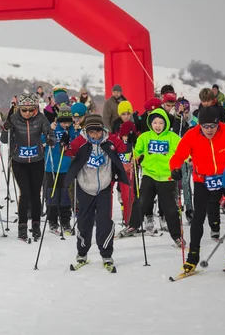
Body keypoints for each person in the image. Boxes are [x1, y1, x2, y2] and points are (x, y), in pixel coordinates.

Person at [170, 106, 225, 273]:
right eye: (205, 126)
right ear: (199, 125)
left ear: (218, 124)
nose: (209, 130)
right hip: (202, 180)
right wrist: (175, 169)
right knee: (199, 216)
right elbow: (178, 156)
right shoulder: (191, 135)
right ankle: (193, 256)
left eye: (212, 126)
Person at [64, 114, 130, 270]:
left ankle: (106, 255)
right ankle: (82, 253)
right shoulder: (80, 141)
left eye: (98, 132)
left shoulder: (110, 140)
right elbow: (68, 151)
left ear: (103, 130)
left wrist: (129, 140)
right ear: (86, 131)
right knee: (84, 222)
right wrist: (63, 144)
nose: (95, 135)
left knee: (104, 221)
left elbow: (124, 148)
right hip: (85, 186)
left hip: (104, 187)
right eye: (91, 132)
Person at [119, 108, 183, 246]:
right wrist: (132, 153)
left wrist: (180, 166)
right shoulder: (145, 137)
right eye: (155, 122)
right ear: (150, 123)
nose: (158, 125)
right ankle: (133, 225)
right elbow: (134, 155)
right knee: (142, 201)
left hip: (167, 177)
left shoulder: (173, 138)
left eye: (161, 122)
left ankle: (177, 236)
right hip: (149, 175)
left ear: (165, 123)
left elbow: (183, 153)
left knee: (170, 208)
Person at [3, 93, 55, 240]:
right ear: (19, 109)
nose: (27, 113)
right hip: (19, 161)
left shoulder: (40, 118)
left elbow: (49, 132)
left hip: (37, 160)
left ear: (35, 108)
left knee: (35, 193)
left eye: (30, 110)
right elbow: (4, 139)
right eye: (24, 110)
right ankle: (22, 225)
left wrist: (51, 138)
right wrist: (6, 128)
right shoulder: (13, 118)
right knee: (25, 192)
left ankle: (36, 224)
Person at [44, 105, 77, 234]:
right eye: (63, 122)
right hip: (51, 167)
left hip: (66, 168)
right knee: (52, 195)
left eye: (68, 122)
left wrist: (73, 134)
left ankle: (65, 221)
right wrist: (49, 132)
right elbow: (42, 139)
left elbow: (75, 143)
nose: (65, 124)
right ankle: (52, 221)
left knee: (64, 196)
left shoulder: (71, 130)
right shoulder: (52, 127)